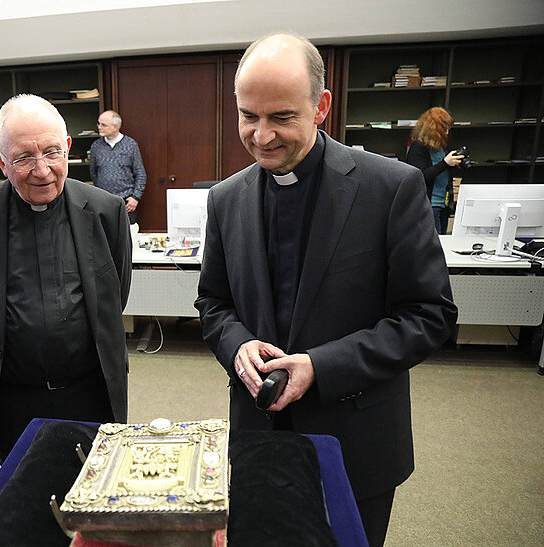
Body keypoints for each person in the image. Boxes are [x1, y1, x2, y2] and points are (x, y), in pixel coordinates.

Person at [195, 32, 457, 547]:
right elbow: (214, 303)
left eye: (282, 117)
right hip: (256, 438)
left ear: (322, 107)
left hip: (354, 441)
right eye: (248, 115)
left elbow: (430, 315)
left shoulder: (391, 188)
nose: (261, 136)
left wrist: (322, 365)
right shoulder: (225, 199)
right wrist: (237, 344)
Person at [0, 94, 132, 463]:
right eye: (24, 157)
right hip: (13, 401)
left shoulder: (107, 211)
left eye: (51, 152)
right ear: (1, 162)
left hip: (92, 394)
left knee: (95, 499)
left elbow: (115, 298)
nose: (42, 170)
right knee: (24, 497)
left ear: (68, 148)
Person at [405, 107, 464, 234]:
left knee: (443, 242)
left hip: (444, 203)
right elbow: (419, 176)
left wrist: (456, 164)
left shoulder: (442, 146)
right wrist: (444, 163)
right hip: (429, 205)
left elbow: (443, 173)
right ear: (433, 128)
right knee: (434, 245)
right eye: (444, 128)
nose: (447, 133)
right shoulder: (418, 147)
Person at [89, 110, 147, 224]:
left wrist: (135, 197)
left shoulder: (130, 145)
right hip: (103, 200)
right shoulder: (96, 146)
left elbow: (140, 173)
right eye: (99, 124)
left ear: (115, 127)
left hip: (126, 202)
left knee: (126, 237)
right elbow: (94, 173)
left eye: (103, 125)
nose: (99, 127)